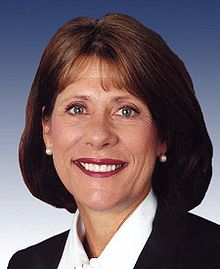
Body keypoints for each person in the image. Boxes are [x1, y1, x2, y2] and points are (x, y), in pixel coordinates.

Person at [8, 13, 220, 269]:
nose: (99, 136)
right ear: (47, 130)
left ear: (163, 135)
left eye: (126, 111)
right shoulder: (26, 264)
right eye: (77, 109)